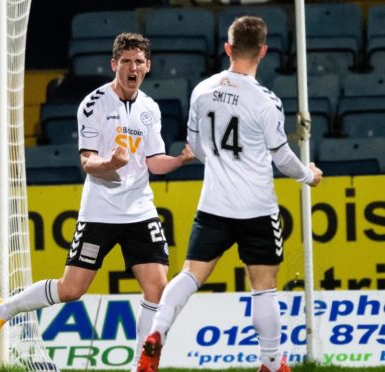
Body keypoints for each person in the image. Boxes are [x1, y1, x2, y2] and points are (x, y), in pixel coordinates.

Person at [0, 32, 195, 371]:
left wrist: (178, 160)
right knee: (71, 289)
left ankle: (142, 365)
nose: (132, 67)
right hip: (100, 211)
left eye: (139, 62)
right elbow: (87, 161)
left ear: (148, 66)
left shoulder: (150, 108)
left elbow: (153, 162)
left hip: (140, 211)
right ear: (114, 65)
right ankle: (1, 311)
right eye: (126, 61)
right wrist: (109, 165)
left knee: (157, 287)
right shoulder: (93, 104)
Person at [136, 16, 323, 372]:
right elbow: (282, 157)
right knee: (264, 286)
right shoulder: (266, 101)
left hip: (214, 205)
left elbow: (195, 146)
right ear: (264, 51)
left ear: (228, 48)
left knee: (191, 274)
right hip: (256, 208)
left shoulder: (202, 90)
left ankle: (157, 333)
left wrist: (220, 163)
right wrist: (308, 176)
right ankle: (270, 364)